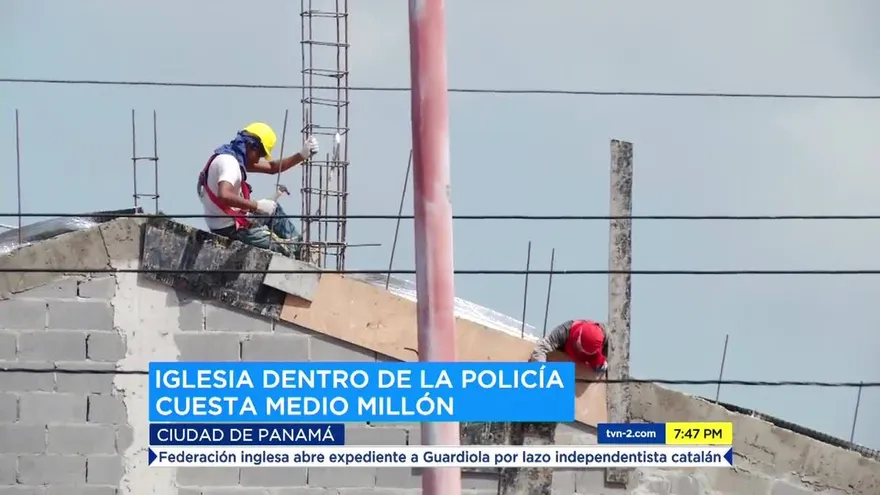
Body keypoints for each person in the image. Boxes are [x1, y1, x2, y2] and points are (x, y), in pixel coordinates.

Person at [197, 122, 318, 259]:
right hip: (230, 229)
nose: (258, 159)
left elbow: (272, 168)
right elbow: (224, 195)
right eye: (259, 154)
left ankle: (301, 249)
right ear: (250, 146)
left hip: (232, 220)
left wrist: (302, 155)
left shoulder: (232, 156)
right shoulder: (229, 164)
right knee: (282, 250)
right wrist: (257, 206)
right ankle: (297, 254)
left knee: (274, 210)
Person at [529, 319, 609, 373]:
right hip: (564, 355)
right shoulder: (563, 332)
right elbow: (540, 349)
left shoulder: (607, 335)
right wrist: (542, 373)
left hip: (596, 361)